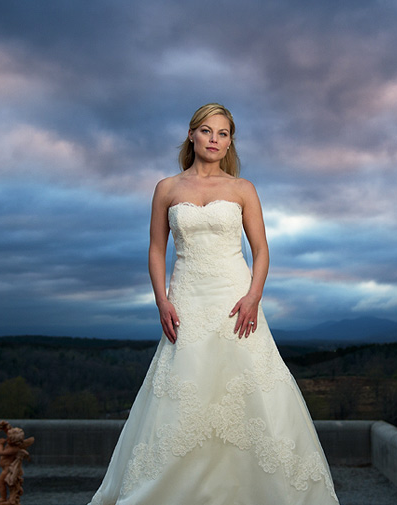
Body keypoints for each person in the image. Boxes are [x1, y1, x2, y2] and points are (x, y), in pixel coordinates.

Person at [88, 103, 339, 505]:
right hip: (186, 297)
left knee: (252, 386)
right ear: (192, 135)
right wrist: (161, 301)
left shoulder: (243, 189)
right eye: (207, 131)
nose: (215, 140)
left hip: (235, 298)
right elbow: (156, 250)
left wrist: (254, 295)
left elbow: (261, 249)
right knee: (185, 389)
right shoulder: (167, 188)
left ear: (229, 141)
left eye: (223, 134)